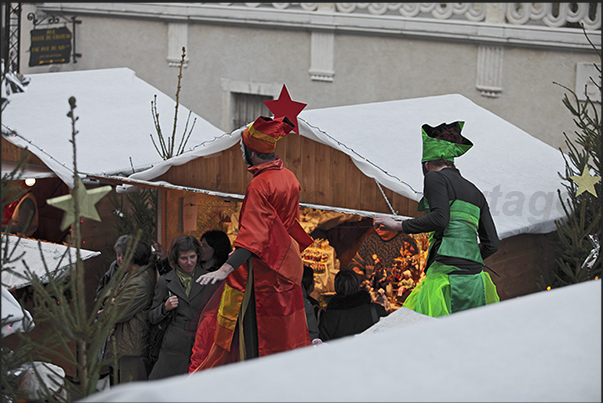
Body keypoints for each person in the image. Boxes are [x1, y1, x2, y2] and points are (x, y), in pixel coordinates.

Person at [189, 115, 313, 373]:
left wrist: (225, 268)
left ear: (252, 153)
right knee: (287, 334)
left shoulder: (259, 185)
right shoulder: (289, 177)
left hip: (265, 271)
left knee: (258, 337)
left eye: (242, 147)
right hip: (288, 265)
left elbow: (254, 236)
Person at [373, 121, 500, 318]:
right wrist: (466, 257)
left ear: (426, 164)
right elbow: (492, 244)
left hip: (444, 276)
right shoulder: (476, 192)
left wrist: (397, 225)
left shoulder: (434, 177)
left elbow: (440, 219)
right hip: (475, 279)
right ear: (452, 162)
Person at [147, 235, 220, 380]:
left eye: (192, 257)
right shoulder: (165, 281)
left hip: (201, 343)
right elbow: (151, 316)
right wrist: (164, 308)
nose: (189, 262)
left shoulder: (210, 279)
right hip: (173, 346)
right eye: (184, 258)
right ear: (176, 259)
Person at [99, 235, 156, 383]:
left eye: (120, 255)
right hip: (126, 344)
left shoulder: (140, 282)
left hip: (133, 347)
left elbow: (116, 313)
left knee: (132, 389)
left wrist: (108, 306)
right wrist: (110, 300)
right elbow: (108, 292)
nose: (118, 260)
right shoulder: (131, 274)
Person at [318, 269, 388, 341]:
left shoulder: (329, 317)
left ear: (336, 287)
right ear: (358, 285)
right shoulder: (376, 310)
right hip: (371, 351)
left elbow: (324, 346)